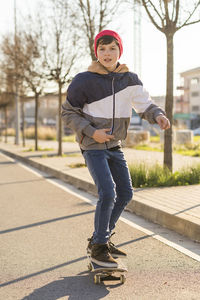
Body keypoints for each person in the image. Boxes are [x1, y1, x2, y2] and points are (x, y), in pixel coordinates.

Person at [61, 30, 170, 268]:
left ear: (120, 50)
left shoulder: (129, 79)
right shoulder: (84, 80)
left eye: (112, 48)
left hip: (115, 145)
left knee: (126, 193)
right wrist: (92, 132)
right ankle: (99, 247)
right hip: (92, 145)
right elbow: (67, 112)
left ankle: (101, 239)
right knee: (108, 192)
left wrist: (158, 115)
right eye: (102, 49)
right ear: (96, 52)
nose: (107, 53)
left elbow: (145, 104)